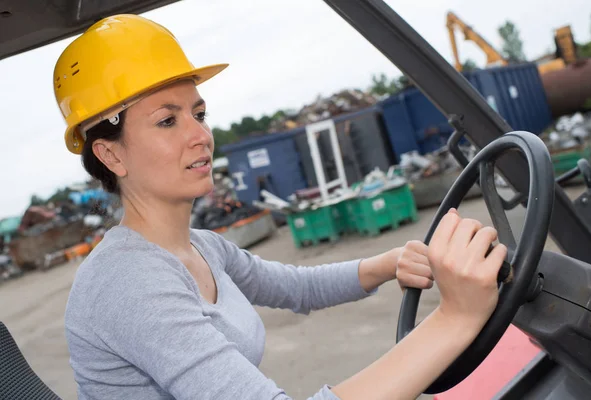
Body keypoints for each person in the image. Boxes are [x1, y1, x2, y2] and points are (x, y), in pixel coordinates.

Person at [54, 14, 507, 400]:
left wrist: (386, 264)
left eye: (199, 114)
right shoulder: (127, 283)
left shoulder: (204, 248)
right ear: (111, 155)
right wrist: (455, 318)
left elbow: (296, 287)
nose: (200, 135)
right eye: (168, 120)